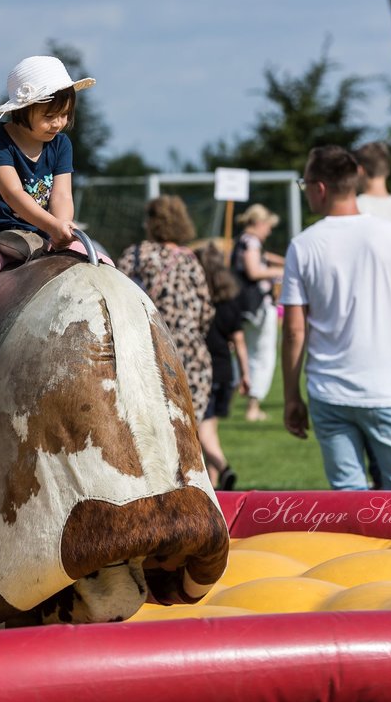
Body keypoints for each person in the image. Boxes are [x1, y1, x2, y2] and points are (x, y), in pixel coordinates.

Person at [0, 55, 100, 407]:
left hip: (40, 234)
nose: (59, 123)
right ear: (22, 110)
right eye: (50, 115)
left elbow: (62, 194)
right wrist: (52, 225)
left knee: (101, 262)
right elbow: (13, 195)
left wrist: (63, 227)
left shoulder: (61, 145)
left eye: (65, 114)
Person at [281, 146, 391, 492]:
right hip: (389, 386)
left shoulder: (303, 245)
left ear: (319, 188)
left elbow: (293, 331)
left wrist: (291, 397)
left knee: (348, 504)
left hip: (329, 390)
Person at [119, 196, 215, 424]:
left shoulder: (136, 256)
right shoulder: (189, 260)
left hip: (148, 350)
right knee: (187, 434)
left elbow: (118, 297)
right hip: (191, 355)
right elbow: (206, 311)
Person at [193, 241, 251, 490]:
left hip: (199, 371)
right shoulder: (230, 300)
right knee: (210, 431)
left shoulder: (194, 300)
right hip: (224, 373)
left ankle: (223, 467)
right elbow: (239, 341)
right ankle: (214, 488)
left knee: (201, 434)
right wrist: (246, 374)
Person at [232, 204, 286, 423]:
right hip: (257, 307)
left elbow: (264, 257)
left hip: (243, 306)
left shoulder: (242, 241)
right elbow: (254, 271)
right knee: (263, 355)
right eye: (268, 226)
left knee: (243, 351)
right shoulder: (252, 242)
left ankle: (231, 400)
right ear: (260, 223)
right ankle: (253, 406)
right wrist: (283, 271)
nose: (270, 231)